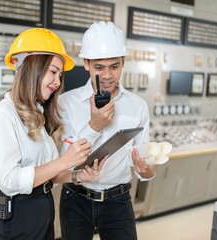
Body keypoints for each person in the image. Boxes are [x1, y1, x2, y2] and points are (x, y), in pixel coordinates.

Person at [0, 27, 106, 240]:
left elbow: (49, 175)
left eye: (60, 75)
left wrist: (77, 175)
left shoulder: (38, 115)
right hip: (19, 216)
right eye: (53, 72)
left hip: (43, 210)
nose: (57, 82)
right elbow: (9, 180)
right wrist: (65, 161)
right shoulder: (1, 116)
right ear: (30, 67)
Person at [59, 21, 156, 240]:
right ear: (86, 64)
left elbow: (143, 165)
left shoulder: (137, 106)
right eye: (99, 67)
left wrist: (147, 171)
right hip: (75, 199)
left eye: (114, 66)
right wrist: (95, 126)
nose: (107, 75)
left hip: (118, 201)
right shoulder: (66, 103)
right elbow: (64, 161)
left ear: (123, 63)